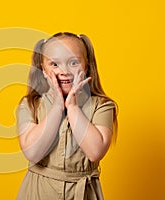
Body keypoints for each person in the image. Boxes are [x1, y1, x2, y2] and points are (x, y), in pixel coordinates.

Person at [16, 32, 118, 200]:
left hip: (83, 193)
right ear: (43, 69)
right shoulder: (30, 104)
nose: (64, 71)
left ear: (87, 66)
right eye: (54, 64)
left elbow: (95, 151)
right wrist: (57, 106)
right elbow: (32, 153)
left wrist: (72, 107)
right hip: (38, 192)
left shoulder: (102, 105)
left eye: (73, 62)